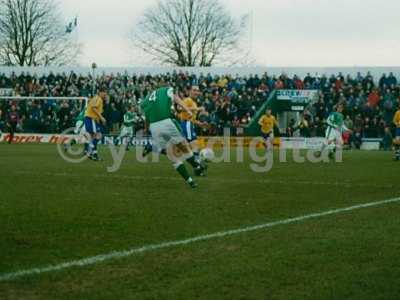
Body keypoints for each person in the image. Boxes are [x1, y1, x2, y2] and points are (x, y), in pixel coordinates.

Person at [140, 85, 206, 188]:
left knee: (172, 156)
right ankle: (197, 165)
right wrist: (187, 109)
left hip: (154, 126)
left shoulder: (146, 99)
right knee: (184, 147)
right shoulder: (165, 89)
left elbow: (147, 117)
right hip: (166, 122)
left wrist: (146, 129)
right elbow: (176, 98)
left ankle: (190, 181)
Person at [178, 85, 207, 161]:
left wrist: (200, 123)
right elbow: (180, 108)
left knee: (188, 147)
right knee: (194, 144)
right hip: (186, 124)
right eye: (194, 90)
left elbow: (192, 119)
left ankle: (197, 163)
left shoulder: (194, 103)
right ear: (190, 91)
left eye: (197, 90)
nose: (196, 92)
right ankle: (198, 163)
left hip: (189, 124)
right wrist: (198, 108)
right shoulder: (187, 100)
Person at [84, 87, 107, 161]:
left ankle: (92, 153)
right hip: (91, 119)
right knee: (98, 135)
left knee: (92, 137)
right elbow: (94, 108)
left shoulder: (96, 98)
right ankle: (91, 153)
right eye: (104, 93)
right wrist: (101, 117)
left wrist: (99, 119)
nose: (105, 94)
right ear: (101, 92)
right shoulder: (98, 99)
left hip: (90, 119)